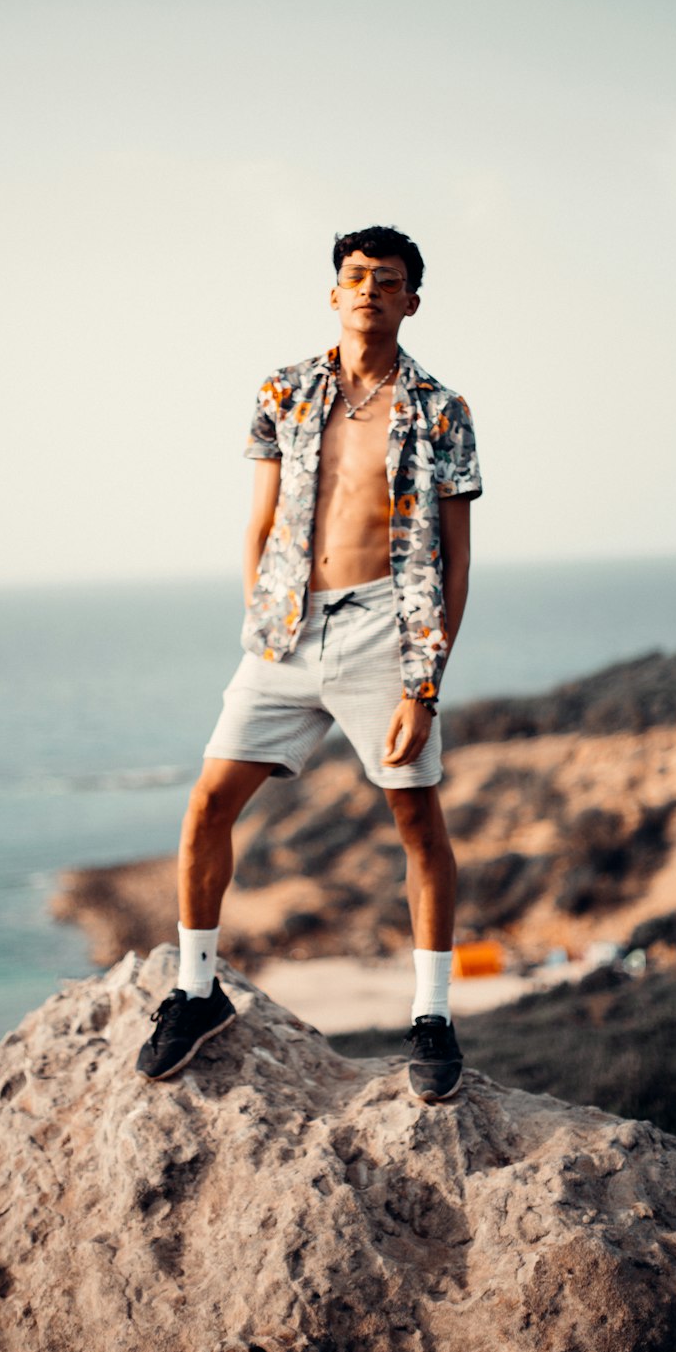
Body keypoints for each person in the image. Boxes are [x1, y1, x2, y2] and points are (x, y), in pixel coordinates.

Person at [136, 225, 482, 1101]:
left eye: (389, 279)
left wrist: (425, 684)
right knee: (209, 803)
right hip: (286, 631)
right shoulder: (283, 392)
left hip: (384, 632)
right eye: (356, 276)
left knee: (418, 825)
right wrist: (259, 618)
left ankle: (433, 1017)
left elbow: (456, 555)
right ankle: (196, 989)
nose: (370, 289)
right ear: (334, 293)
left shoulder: (443, 409)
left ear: (411, 300)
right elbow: (260, 521)